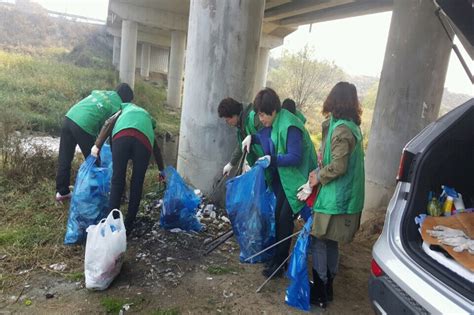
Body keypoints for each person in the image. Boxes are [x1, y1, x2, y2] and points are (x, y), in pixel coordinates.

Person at [297, 81, 365, 309]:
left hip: (336, 197)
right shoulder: (349, 126)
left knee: (319, 240)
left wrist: (318, 177)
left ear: (334, 100)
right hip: (342, 196)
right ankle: (328, 289)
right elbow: (332, 159)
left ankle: (320, 290)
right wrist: (318, 168)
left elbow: (339, 166)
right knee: (331, 241)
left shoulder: (342, 129)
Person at [242, 88, 317, 278]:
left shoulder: (290, 125)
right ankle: (278, 258)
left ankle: (280, 263)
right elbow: (267, 136)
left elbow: (295, 156)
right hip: (287, 179)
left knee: (284, 219)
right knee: (279, 215)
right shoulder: (276, 122)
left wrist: (271, 159)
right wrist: (253, 137)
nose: (260, 119)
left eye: (262, 114)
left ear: (272, 110)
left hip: (300, 181)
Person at [91, 102, 165, 234]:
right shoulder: (147, 120)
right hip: (143, 142)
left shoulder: (124, 109)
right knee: (137, 183)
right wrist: (161, 171)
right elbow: (156, 149)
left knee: (117, 180)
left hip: (122, 136)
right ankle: (129, 225)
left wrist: (97, 146)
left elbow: (108, 123)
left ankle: (112, 223)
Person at [55, 83, 134, 202]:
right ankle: (95, 195)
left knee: (64, 158)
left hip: (69, 117)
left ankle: (62, 192)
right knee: (94, 162)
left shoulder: (103, 93)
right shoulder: (118, 106)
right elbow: (110, 129)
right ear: (126, 99)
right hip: (84, 126)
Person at [217, 97, 263, 176]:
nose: (227, 123)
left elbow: (267, 136)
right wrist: (231, 164)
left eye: (227, 119)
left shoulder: (253, 117)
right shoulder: (241, 124)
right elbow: (242, 144)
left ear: (234, 115)